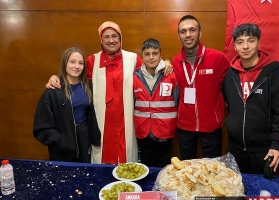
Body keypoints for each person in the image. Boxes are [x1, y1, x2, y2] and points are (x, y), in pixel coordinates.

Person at [45, 21, 172, 165]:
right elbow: (74, 77)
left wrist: (165, 62)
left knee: (127, 166)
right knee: (101, 163)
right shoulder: (93, 61)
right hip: (101, 121)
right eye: (106, 37)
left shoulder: (133, 59)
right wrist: (56, 78)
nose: (111, 40)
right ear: (101, 40)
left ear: (120, 38)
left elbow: (151, 68)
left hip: (126, 121)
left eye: (114, 36)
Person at [222, 23, 279, 174]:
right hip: (235, 148)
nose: (245, 46)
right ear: (235, 46)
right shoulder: (230, 75)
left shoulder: (275, 74)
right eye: (240, 42)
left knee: (262, 193)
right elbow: (228, 105)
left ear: (259, 43)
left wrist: (276, 145)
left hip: (265, 149)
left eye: (251, 40)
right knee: (235, 192)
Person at [172, 15, 230, 160]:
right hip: (185, 126)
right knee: (187, 167)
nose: (188, 35)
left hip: (211, 125)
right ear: (179, 36)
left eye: (192, 30)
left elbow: (232, 85)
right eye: (183, 31)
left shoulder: (218, 58)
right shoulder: (175, 62)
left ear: (200, 33)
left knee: (212, 168)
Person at [33, 47, 101, 163]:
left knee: (84, 175)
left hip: (84, 142)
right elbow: (41, 127)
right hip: (62, 148)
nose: (77, 66)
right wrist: (60, 141)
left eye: (80, 63)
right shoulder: (54, 90)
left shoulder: (88, 86)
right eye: (72, 62)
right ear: (65, 63)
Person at [134, 38, 178, 167]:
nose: (151, 57)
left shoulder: (171, 76)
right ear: (142, 56)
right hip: (143, 130)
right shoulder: (135, 77)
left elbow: (178, 100)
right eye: (147, 54)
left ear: (161, 55)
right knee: (146, 165)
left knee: (163, 165)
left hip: (165, 130)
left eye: (155, 53)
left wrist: (167, 63)